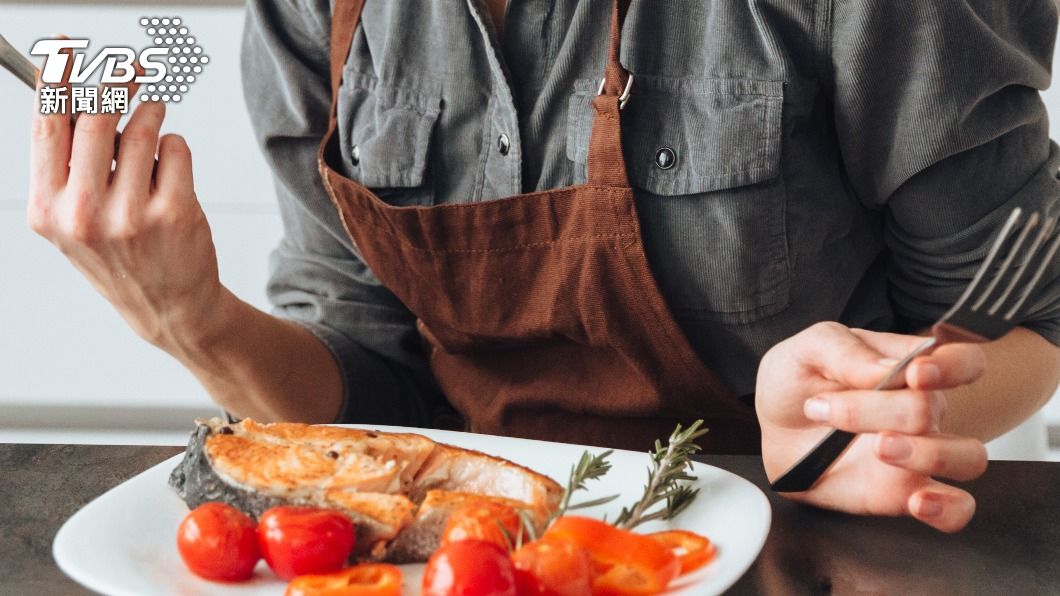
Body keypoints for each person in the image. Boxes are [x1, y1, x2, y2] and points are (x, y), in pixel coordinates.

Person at [27, 0, 1060, 533]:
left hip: (799, 539)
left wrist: (849, 417)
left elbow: (1026, 314)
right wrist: (191, 319)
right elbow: (364, 399)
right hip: (468, 560)